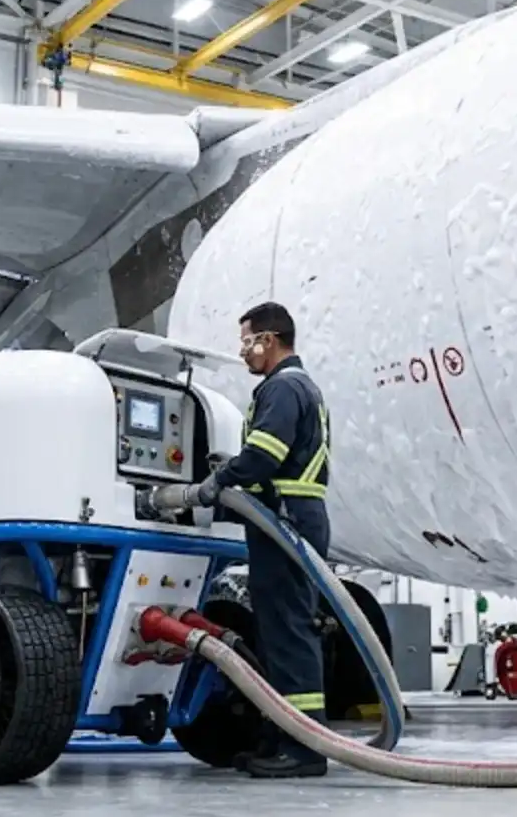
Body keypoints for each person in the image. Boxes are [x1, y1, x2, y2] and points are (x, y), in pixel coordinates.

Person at [184, 301, 332, 779]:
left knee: (288, 633)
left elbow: (267, 454)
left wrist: (222, 478)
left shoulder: (283, 387)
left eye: (247, 341)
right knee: (276, 631)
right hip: (285, 519)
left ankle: (305, 748)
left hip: (285, 520)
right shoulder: (292, 387)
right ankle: (279, 735)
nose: (243, 351)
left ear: (269, 340)